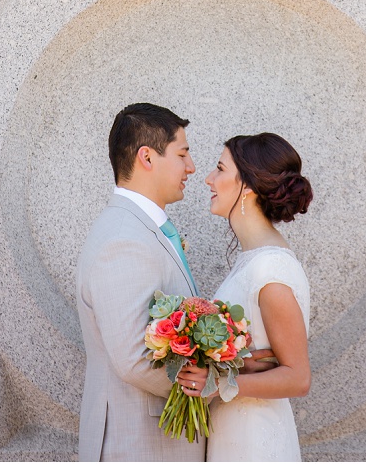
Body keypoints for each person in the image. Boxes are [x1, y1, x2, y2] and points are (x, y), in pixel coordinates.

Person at [76, 103, 204, 461]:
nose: (191, 168)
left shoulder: (139, 230)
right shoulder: (123, 239)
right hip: (137, 446)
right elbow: (135, 359)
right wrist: (215, 382)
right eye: (183, 154)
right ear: (147, 157)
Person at [178, 132, 314, 461]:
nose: (209, 178)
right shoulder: (253, 259)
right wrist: (232, 366)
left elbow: (298, 377)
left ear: (249, 186)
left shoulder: (270, 268)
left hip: (256, 442)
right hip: (235, 432)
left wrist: (220, 380)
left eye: (220, 169)